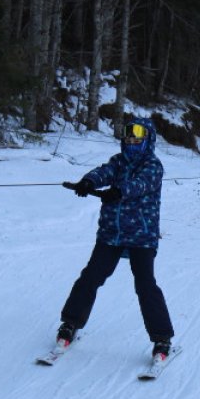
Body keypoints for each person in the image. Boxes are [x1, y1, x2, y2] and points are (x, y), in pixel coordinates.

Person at [58, 117, 175, 363]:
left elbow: (140, 184)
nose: (132, 141)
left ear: (147, 139)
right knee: (90, 276)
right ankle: (70, 324)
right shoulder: (118, 162)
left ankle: (162, 338)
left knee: (145, 286)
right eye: (128, 137)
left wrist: (119, 191)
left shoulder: (153, 165)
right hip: (112, 233)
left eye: (137, 137)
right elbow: (104, 172)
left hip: (141, 236)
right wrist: (89, 181)